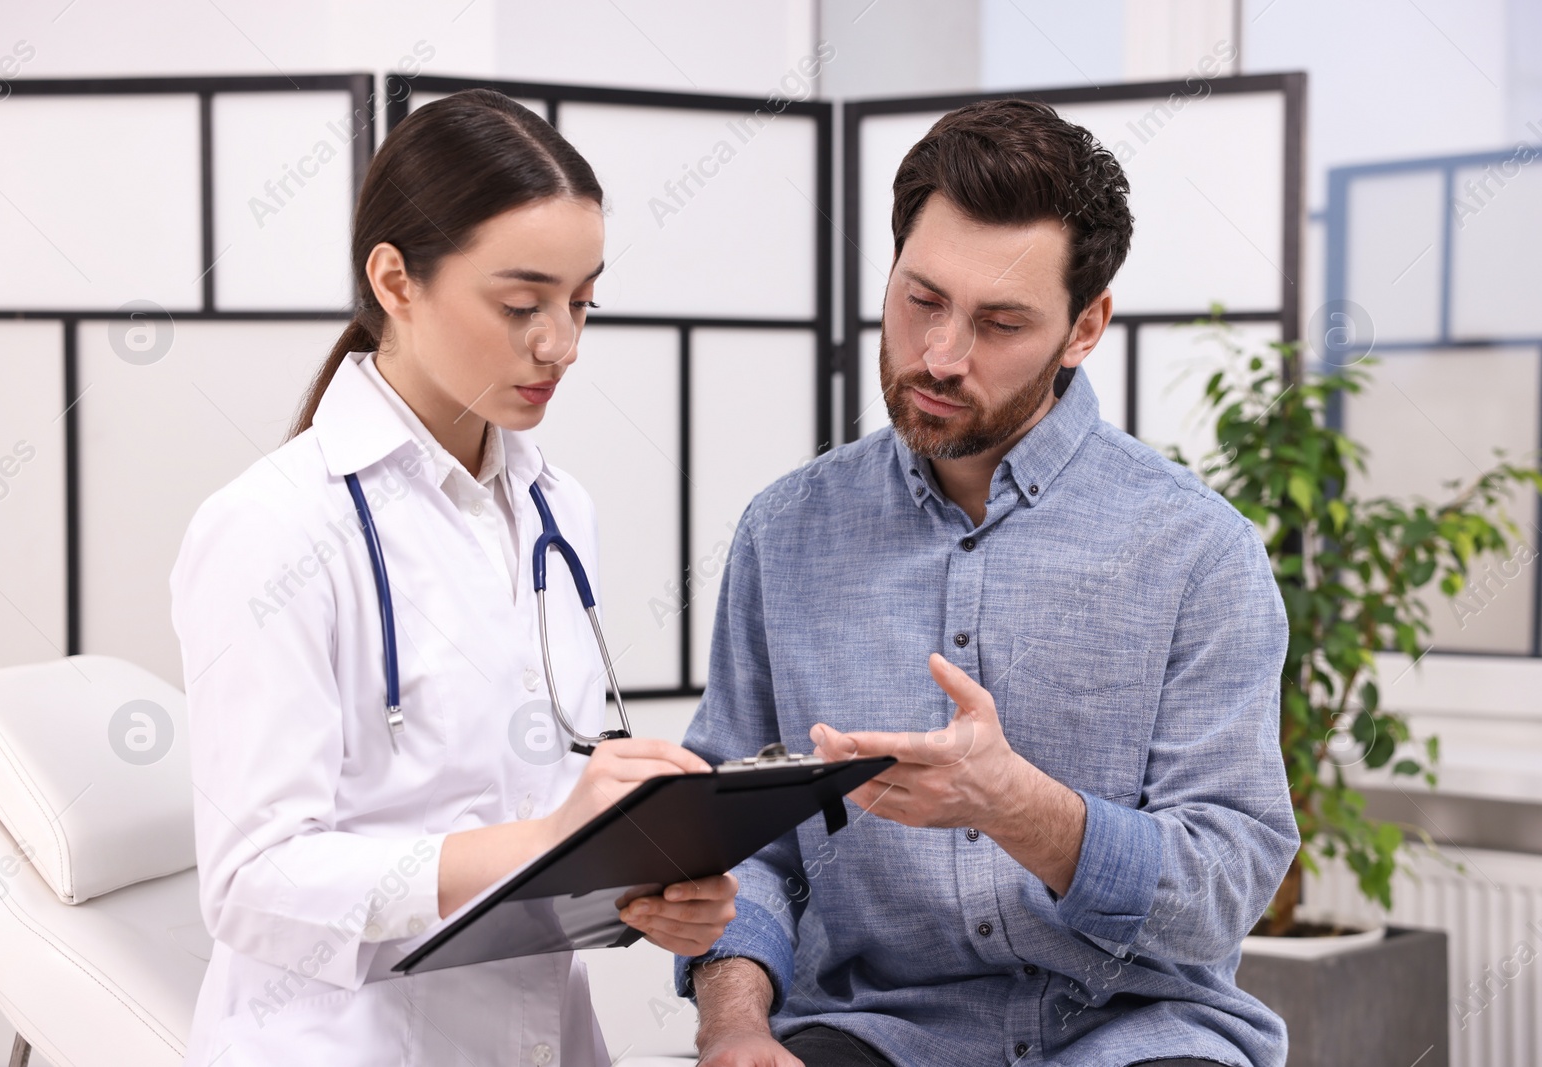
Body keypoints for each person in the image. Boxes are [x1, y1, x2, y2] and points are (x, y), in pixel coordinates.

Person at [674, 98, 1301, 1067]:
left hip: (1138, 1031)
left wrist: (1016, 803)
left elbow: (1221, 884)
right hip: (873, 1027)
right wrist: (735, 1026)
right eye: (921, 299)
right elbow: (741, 838)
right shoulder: (785, 532)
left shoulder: (1197, 551)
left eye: (1000, 322)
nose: (940, 356)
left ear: (1083, 326)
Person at [169, 89, 736, 1067]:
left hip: (540, 1036)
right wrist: (546, 838)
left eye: (581, 300)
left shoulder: (558, 509)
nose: (560, 342)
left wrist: (646, 882)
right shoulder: (272, 526)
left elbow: (533, 790)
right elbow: (252, 877)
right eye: (521, 304)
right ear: (394, 278)